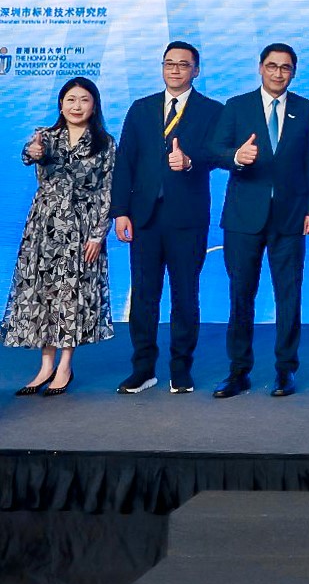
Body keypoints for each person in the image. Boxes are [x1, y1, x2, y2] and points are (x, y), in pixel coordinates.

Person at [109, 41, 222, 395]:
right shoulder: (141, 108)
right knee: (144, 296)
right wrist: (120, 212)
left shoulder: (212, 110)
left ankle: (181, 369)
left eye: (183, 64)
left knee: (185, 295)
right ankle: (143, 369)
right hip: (144, 218)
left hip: (187, 218)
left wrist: (190, 162)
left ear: (196, 71)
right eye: (169, 63)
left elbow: (218, 155)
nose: (175, 69)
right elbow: (125, 162)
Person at [209, 43, 309, 399]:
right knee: (241, 294)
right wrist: (236, 156)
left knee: (289, 295)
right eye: (272, 66)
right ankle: (238, 371)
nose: (278, 73)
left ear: (294, 73)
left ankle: (285, 370)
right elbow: (215, 151)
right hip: (244, 217)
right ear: (260, 68)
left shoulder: (306, 109)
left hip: (290, 216)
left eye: (285, 68)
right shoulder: (236, 106)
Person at [2, 77, 116, 396]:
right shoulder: (47, 137)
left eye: (84, 100)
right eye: (70, 100)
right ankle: (44, 367)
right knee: (43, 294)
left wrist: (98, 235)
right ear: (61, 104)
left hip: (81, 229)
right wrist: (33, 151)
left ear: (94, 106)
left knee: (69, 295)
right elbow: (30, 154)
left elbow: (108, 190)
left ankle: (64, 366)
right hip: (44, 228)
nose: (77, 106)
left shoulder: (105, 143)